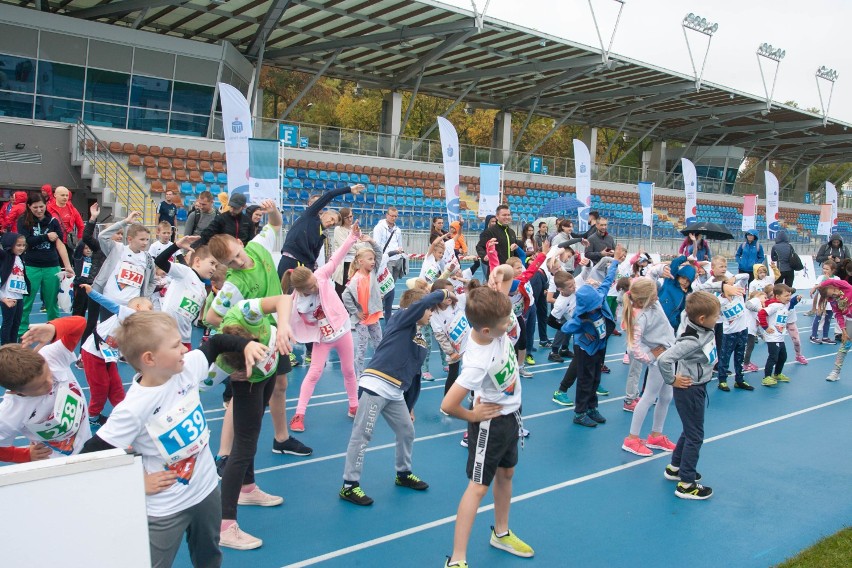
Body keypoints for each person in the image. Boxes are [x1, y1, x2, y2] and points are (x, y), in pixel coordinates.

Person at [81, 311, 269, 566]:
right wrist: (135, 482)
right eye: (175, 345)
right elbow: (89, 456)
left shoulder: (187, 368)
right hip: (166, 507)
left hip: (205, 490)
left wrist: (246, 345)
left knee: (210, 554)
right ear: (150, 358)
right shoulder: (133, 408)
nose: (184, 348)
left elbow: (216, 343)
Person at [206, 200, 310, 457]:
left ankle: (281, 438)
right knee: (241, 395)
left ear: (241, 244)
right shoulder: (233, 285)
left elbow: (275, 223)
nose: (239, 263)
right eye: (231, 263)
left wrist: (272, 209)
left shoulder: (258, 246)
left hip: (276, 331)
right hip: (254, 340)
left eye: (238, 255)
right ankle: (224, 453)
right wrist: (244, 331)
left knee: (281, 384)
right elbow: (211, 316)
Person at [441, 287, 533, 567]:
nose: (511, 323)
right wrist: (473, 415)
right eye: (506, 321)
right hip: (490, 425)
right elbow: (448, 404)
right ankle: (457, 559)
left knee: (507, 473)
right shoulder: (476, 362)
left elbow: (499, 294)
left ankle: (501, 533)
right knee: (478, 488)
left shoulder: (496, 326)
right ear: (485, 330)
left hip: (511, 415)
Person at [337, 287, 451, 506]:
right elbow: (419, 306)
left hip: (395, 392)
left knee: (406, 431)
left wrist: (410, 406)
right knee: (362, 435)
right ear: (417, 309)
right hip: (376, 385)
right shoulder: (400, 320)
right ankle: (349, 485)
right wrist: (442, 295)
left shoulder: (421, 340)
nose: (431, 314)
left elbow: (414, 376)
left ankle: (403, 473)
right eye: (429, 310)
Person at [214, 297, 290, 550]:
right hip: (249, 384)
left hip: (267, 373)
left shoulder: (246, 311)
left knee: (253, 432)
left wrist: (284, 328)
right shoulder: (220, 364)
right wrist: (234, 373)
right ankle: (225, 525)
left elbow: (284, 299)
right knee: (244, 446)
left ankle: (247, 488)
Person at [281, 225, 361, 432]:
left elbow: (336, 258)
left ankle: (354, 405)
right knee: (314, 373)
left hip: (341, 330)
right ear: (300, 290)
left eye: (314, 282)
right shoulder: (295, 303)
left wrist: (352, 238)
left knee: (349, 370)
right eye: (310, 288)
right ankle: (299, 414)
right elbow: (284, 321)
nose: (315, 286)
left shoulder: (321, 277)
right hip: (322, 339)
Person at [657, 291, 719, 500]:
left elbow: (689, 305)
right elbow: (664, 360)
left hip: (696, 385)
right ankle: (687, 483)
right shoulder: (692, 340)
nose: (718, 319)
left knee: (690, 429)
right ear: (702, 319)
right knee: (695, 435)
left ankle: (676, 467)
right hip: (690, 389)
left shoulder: (691, 319)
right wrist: (672, 379)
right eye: (716, 316)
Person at [0, 316, 90, 457]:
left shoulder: (51, 356)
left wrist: (54, 328)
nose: (49, 383)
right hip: (58, 463)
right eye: (39, 387)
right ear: (16, 391)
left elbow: (80, 323)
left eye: (48, 374)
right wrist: (25, 455)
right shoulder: (9, 413)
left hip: (88, 442)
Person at [79, 286, 153, 429]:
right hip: (93, 353)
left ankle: (123, 412)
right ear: (138, 307)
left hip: (108, 356)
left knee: (116, 385)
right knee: (101, 386)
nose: (152, 311)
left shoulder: (138, 327)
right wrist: (91, 292)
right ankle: (93, 416)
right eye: (149, 308)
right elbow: (108, 303)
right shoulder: (128, 313)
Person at [562, 251, 621, 427]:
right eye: (594, 306)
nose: (598, 305)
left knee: (596, 378)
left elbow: (608, 280)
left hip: (600, 345)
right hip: (586, 349)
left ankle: (591, 407)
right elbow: (566, 327)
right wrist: (580, 326)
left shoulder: (599, 296)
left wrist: (615, 262)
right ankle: (579, 413)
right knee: (585, 380)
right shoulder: (580, 316)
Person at [620, 278, 677, 457]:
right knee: (648, 398)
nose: (657, 295)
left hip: (669, 354)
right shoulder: (641, 318)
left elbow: (653, 277)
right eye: (654, 294)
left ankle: (655, 435)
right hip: (659, 361)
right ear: (645, 299)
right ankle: (632, 438)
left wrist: (661, 270)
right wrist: (652, 357)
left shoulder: (654, 304)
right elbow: (633, 349)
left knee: (667, 396)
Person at [17, 193, 74, 336]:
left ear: (46, 205)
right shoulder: (23, 220)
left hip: (52, 266)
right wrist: (45, 237)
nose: (39, 210)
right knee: (26, 302)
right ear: (29, 207)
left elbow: (60, 244)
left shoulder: (53, 221)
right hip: (31, 266)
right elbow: (26, 241)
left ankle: (54, 331)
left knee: (52, 303)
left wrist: (67, 265)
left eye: (41, 206)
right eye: (35, 207)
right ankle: (21, 332)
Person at [278, 183, 365, 277]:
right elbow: (329, 195)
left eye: (334, 224)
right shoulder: (309, 216)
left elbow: (313, 260)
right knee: (284, 291)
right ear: (325, 213)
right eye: (332, 219)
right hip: (289, 262)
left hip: (303, 270)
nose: (331, 223)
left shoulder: (321, 237)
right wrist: (349, 189)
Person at [154, 236, 219, 349]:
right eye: (212, 263)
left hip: (185, 339)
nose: (214, 268)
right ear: (197, 261)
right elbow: (159, 261)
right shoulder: (185, 272)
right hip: (167, 334)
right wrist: (176, 246)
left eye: (216, 266)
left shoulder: (203, 289)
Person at [94, 211, 155, 308]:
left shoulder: (148, 259)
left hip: (131, 306)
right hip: (109, 302)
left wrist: (145, 295)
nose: (145, 243)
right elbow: (102, 236)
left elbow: (152, 281)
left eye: (147, 240)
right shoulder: (118, 249)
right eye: (142, 239)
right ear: (130, 239)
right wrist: (125, 222)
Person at [342, 238, 384, 377]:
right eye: (370, 259)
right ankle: (358, 374)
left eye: (373, 259)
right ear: (361, 262)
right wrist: (355, 312)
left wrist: (371, 241)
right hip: (362, 320)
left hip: (374, 317)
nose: (373, 261)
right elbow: (345, 296)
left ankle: (378, 370)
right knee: (362, 348)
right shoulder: (356, 279)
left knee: (379, 345)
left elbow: (379, 252)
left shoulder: (373, 273)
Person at [373, 206, 407, 321]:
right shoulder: (379, 228)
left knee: (391, 286)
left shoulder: (398, 229)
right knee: (384, 285)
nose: (393, 218)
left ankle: (385, 310)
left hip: (397, 259)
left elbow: (400, 243)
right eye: (391, 215)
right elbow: (376, 245)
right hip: (386, 259)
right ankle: (380, 310)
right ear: (386, 215)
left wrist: (400, 253)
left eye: (395, 216)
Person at [815, 278, 852, 381]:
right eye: (831, 295)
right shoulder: (833, 301)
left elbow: (830, 280)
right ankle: (835, 372)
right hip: (850, 321)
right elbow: (838, 315)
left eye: (834, 291)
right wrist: (844, 331)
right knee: (844, 346)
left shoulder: (846, 288)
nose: (835, 294)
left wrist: (818, 285)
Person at [757, 284, 794, 386]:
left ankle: (777, 374)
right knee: (773, 357)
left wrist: (796, 299)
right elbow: (761, 313)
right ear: (777, 297)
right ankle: (767, 377)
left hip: (780, 337)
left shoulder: (783, 305)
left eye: (789, 295)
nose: (789, 298)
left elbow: (791, 304)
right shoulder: (774, 306)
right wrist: (765, 327)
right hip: (773, 337)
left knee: (783, 356)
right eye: (786, 296)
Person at [0, 232, 27, 344]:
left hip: (18, 295)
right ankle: (5, 348)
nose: (21, 248)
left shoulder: (20, 258)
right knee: (8, 323)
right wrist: (3, 298)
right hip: (7, 296)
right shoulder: (5, 256)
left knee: (16, 323)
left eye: (23, 245)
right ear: (10, 245)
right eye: (18, 245)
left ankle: (13, 347)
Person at [811, 260, 836, 344]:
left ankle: (825, 337)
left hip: (831, 301)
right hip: (822, 300)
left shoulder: (836, 278)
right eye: (823, 268)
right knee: (818, 316)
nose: (825, 270)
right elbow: (818, 287)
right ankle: (813, 336)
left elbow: (836, 288)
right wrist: (825, 280)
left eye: (827, 269)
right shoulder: (821, 277)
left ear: (833, 270)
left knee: (828, 319)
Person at [332, 207, 356, 296]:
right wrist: (355, 246)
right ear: (342, 218)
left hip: (354, 264)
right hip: (343, 265)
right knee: (341, 292)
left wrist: (353, 246)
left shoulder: (355, 228)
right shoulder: (338, 230)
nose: (350, 219)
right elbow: (346, 247)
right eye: (347, 217)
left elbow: (362, 245)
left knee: (353, 292)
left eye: (351, 216)